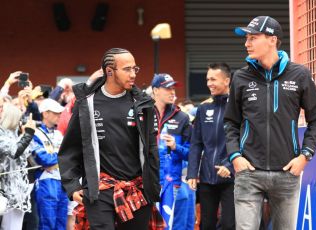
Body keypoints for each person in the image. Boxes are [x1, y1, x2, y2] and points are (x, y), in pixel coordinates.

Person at [224, 16, 316, 230]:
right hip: (248, 172)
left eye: (253, 38)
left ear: (272, 40)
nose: (246, 43)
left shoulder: (300, 75)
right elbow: (231, 122)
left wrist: (304, 155)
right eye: (247, 39)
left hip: (287, 173)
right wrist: (235, 156)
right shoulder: (241, 77)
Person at [58, 48, 163, 230]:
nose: (133, 74)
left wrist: (152, 186)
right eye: (127, 69)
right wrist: (73, 186)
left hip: (137, 189)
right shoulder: (86, 103)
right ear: (109, 71)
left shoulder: (143, 104)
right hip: (99, 189)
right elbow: (70, 149)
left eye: (134, 69)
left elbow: (151, 150)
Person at [187, 63, 235, 230]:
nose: (209, 83)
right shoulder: (203, 108)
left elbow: (245, 141)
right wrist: (192, 173)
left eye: (213, 79)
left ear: (227, 80)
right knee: (206, 225)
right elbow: (196, 143)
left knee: (229, 225)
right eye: (207, 79)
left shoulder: (238, 107)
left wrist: (230, 165)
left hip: (231, 177)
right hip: (207, 177)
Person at [151, 73, 194, 229]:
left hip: (172, 183)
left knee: (170, 226)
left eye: (173, 88)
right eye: (167, 88)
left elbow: (192, 154)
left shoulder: (182, 118)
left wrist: (176, 147)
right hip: (147, 183)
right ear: (155, 90)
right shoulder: (143, 114)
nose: (172, 92)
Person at [30, 98, 69, 230]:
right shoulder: (35, 133)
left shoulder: (59, 134)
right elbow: (45, 160)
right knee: (47, 224)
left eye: (59, 113)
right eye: (55, 113)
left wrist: (59, 157)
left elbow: (70, 157)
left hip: (62, 181)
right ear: (45, 114)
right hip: (46, 181)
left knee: (61, 224)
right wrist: (62, 156)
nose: (59, 116)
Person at [0, 102, 36, 230]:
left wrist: (25, 133)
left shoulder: (13, 134)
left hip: (17, 188)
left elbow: (26, 152)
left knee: (14, 226)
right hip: (4, 188)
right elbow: (14, 151)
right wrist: (28, 133)